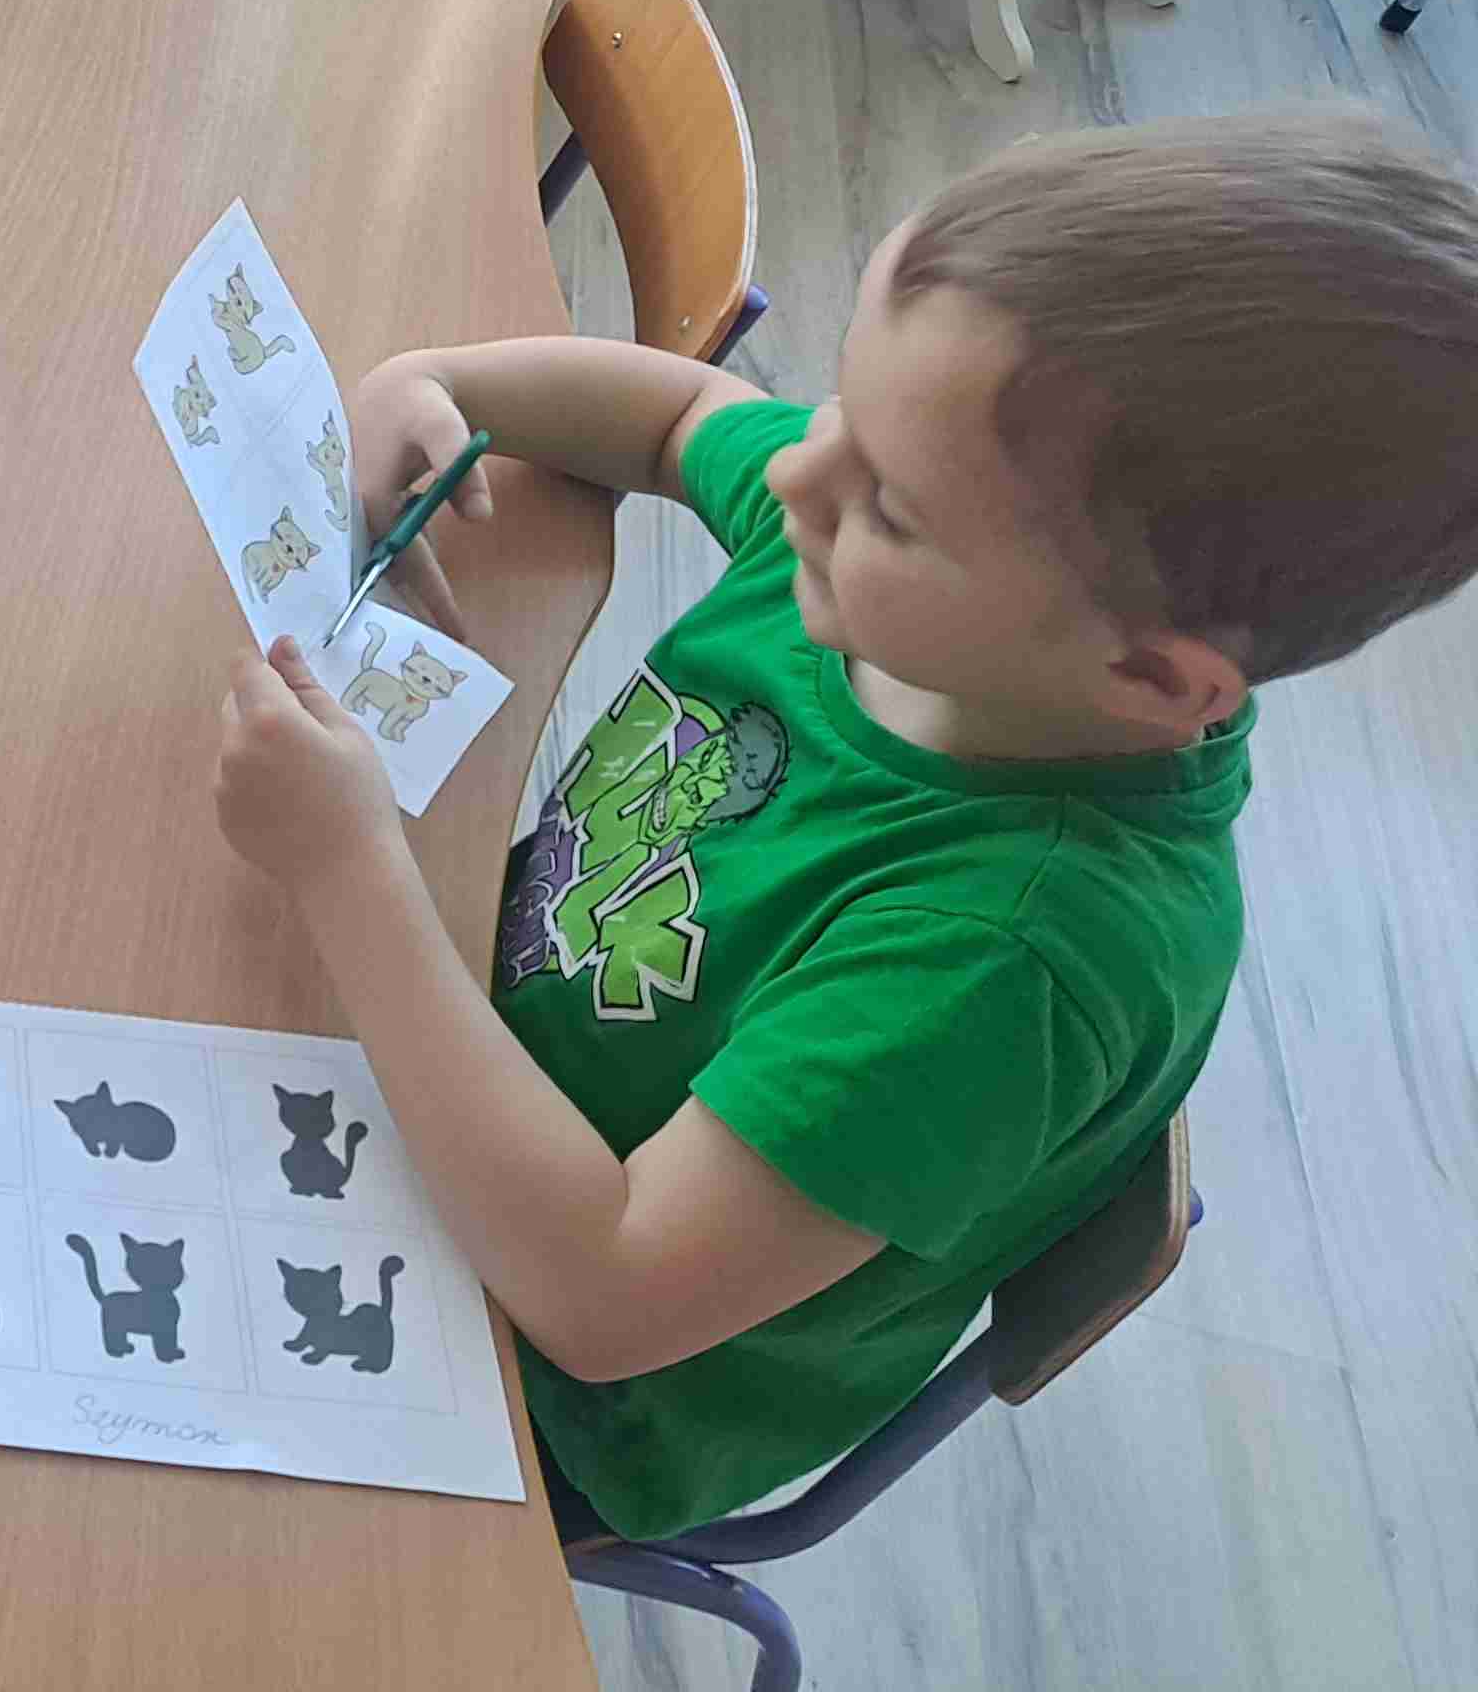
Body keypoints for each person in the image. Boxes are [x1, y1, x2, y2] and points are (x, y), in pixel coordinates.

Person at [210, 110, 1478, 1544]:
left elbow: (602, 1296)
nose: (796, 477)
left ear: (1150, 678)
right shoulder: (890, 573)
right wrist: (437, 384)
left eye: (893, 506)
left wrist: (348, 867)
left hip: (539, 1392)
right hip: (458, 1061)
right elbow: (677, 420)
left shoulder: (1005, 963)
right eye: (838, 412)